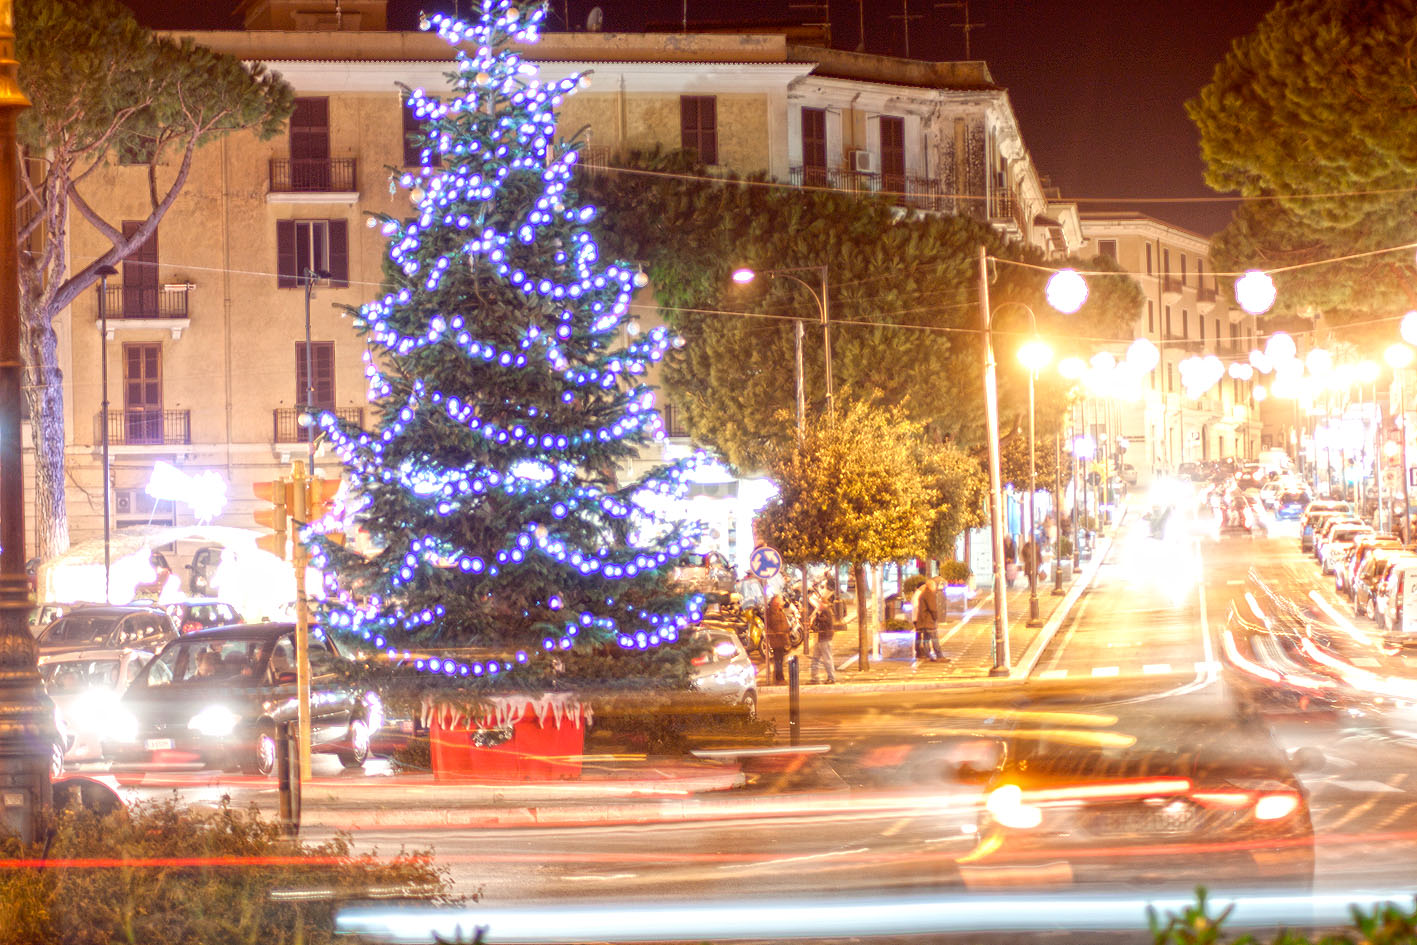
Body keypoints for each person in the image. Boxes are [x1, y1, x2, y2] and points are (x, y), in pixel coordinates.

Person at [809, 580, 837, 684]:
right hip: (821, 637)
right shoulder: (822, 611)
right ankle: (814, 677)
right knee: (815, 658)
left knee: (827, 659)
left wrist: (816, 617)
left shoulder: (826, 611)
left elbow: (824, 621)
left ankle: (831, 677)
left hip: (825, 638)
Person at [912, 576, 944, 662]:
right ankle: (939, 655)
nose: (936, 588)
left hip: (923, 621)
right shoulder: (929, 594)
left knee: (926, 639)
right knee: (934, 639)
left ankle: (927, 655)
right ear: (931, 586)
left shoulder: (923, 594)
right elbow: (932, 608)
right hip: (928, 621)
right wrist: (935, 618)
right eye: (935, 586)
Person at [764, 593, 791, 684]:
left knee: (780, 659)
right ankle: (779, 678)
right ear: (776, 602)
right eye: (781, 600)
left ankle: (779, 677)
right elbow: (775, 625)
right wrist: (779, 634)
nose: (783, 602)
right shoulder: (773, 612)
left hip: (781, 638)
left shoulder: (779, 611)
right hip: (777, 639)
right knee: (778, 660)